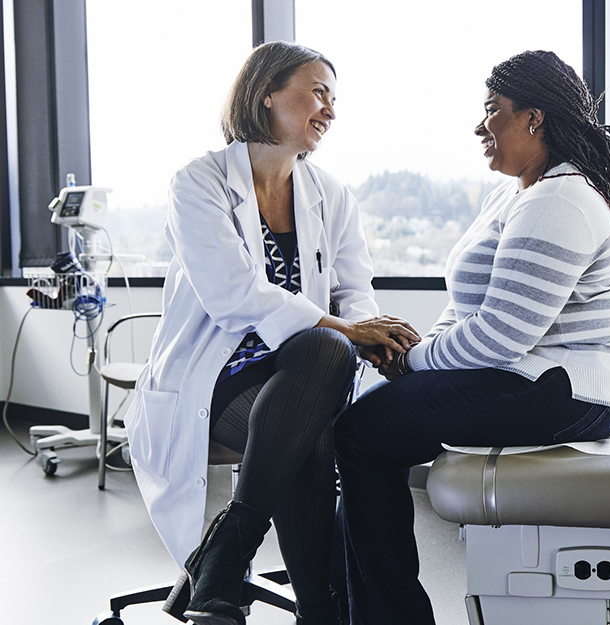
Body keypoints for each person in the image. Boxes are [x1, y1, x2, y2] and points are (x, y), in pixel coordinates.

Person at [332, 49, 610, 625]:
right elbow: (467, 308)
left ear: (534, 118)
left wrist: (412, 363)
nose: (480, 126)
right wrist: (414, 353)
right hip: (527, 374)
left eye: (492, 110)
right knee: (364, 424)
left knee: (362, 433)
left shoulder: (560, 200)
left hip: (569, 390)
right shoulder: (514, 194)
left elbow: (500, 337)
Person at [122, 41, 419, 625]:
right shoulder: (200, 182)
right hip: (217, 372)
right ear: (266, 94)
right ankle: (320, 609)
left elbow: (355, 289)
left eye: (334, 98)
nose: (330, 109)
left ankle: (230, 550)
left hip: (304, 368)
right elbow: (233, 294)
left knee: (321, 354)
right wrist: (351, 329)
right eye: (318, 92)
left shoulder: (331, 194)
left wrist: (370, 335)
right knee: (310, 420)